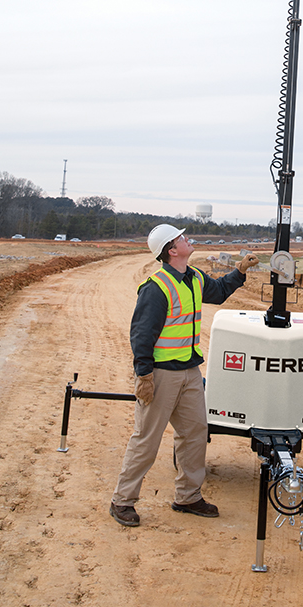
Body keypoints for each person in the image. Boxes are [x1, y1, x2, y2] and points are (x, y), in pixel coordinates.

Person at [110, 223, 258, 527]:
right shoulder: (156, 287)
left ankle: (188, 496)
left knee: (194, 435)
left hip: (189, 371)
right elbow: (141, 334)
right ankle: (122, 500)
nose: (187, 239)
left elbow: (217, 292)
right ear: (172, 250)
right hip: (162, 376)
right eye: (182, 238)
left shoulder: (194, 278)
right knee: (146, 440)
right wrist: (144, 375)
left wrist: (240, 272)